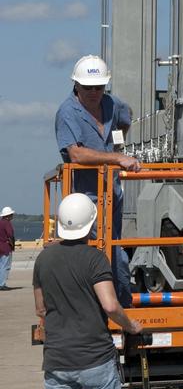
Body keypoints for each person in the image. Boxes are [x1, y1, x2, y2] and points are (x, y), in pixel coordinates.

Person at [34, 193, 143, 389]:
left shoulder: (43, 259)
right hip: (94, 358)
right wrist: (130, 326)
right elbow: (110, 305)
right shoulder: (95, 259)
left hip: (57, 358)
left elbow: (40, 309)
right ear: (91, 222)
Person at [53, 55, 137, 307]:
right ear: (76, 85)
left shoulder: (112, 104)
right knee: (93, 255)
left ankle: (120, 306)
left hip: (112, 193)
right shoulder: (68, 112)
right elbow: (75, 154)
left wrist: (118, 143)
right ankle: (94, 308)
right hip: (84, 199)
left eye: (99, 87)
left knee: (116, 253)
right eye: (88, 87)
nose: (93, 92)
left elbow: (126, 116)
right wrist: (117, 157)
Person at [0, 206, 15, 290]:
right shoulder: (7, 223)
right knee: (5, 266)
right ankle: (2, 284)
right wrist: (12, 245)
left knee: (0, 265)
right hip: (5, 247)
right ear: (8, 215)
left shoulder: (0, 222)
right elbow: (10, 235)